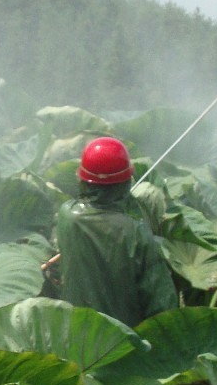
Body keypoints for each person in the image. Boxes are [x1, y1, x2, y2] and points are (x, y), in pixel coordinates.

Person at [54, 136, 177, 327]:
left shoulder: (67, 217)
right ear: (126, 182)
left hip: (75, 335)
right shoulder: (136, 232)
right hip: (123, 341)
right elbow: (160, 301)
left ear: (83, 181)